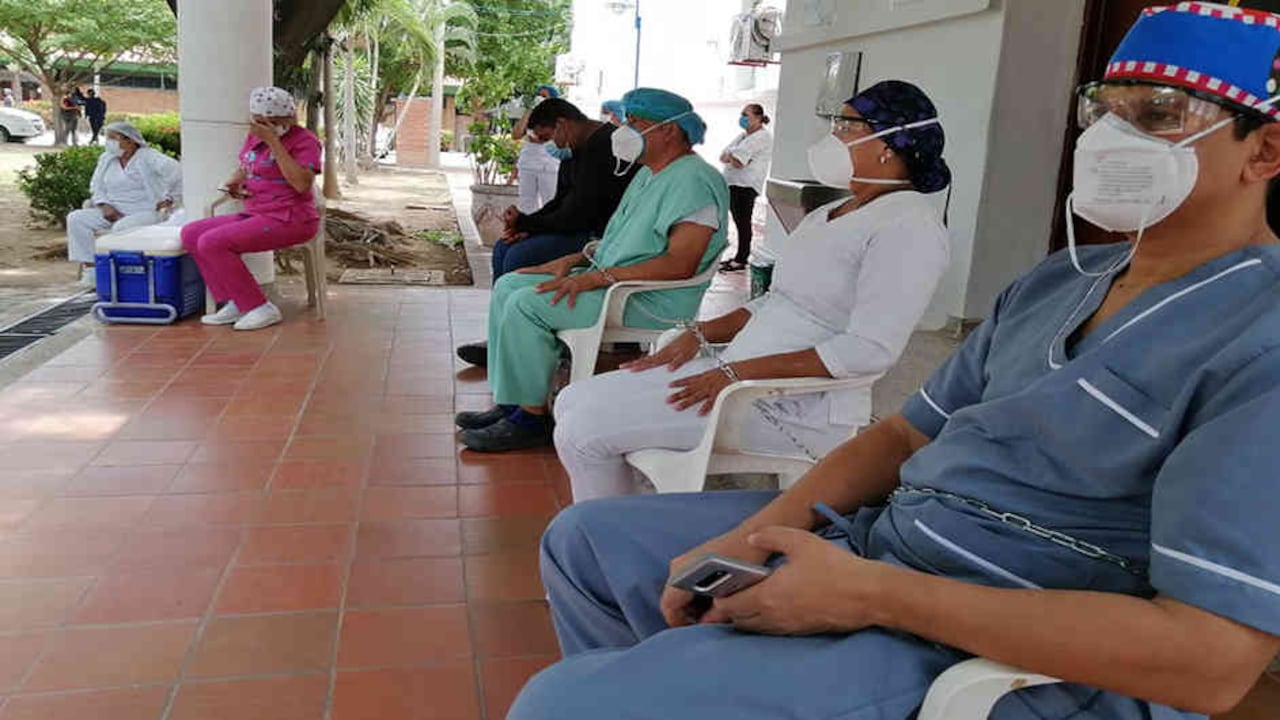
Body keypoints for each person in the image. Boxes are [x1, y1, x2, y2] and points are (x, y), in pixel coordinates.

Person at [508, 4, 1280, 720]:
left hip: (991, 637)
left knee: (561, 704)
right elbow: (905, 437)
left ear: (1267, 148)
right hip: (887, 541)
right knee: (585, 545)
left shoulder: (1256, 337)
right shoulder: (1060, 281)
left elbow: (1211, 661)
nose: (1111, 141)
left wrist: (874, 597)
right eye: (1103, 112)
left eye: (1157, 116)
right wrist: (760, 534)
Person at [554, 81, 950, 502]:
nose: (833, 136)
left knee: (584, 430)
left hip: (790, 406)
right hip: (737, 374)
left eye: (846, 126)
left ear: (888, 143)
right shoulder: (830, 213)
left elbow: (868, 350)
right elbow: (775, 300)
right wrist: (701, 334)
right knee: (575, 399)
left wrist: (733, 375)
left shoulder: (909, 228)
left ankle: (608, 540)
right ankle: (627, 517)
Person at [455, 88, 730, 453]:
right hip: (612, 280)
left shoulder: (694, 180)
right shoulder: (651, 174)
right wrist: (574, 261)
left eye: (637, 123)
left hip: (647, 298)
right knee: (510, 284)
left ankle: (531, 418)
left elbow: (681, 264)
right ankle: (511, 402)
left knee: (527, 304)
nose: (625, 131)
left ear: (669, 130)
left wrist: (596, 277)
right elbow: (627, 240)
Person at [455, 98, 641, 367]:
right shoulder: (574, 147)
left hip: (599, 237)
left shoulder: (605, 145)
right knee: (503, 248)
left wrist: (529, 226)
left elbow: (579, 213)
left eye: (546, 137)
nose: (549, 145)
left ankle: (531, 339)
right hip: (578, 227)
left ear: (562, 124)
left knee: (519, 257)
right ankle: (501, 337)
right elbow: (560, 201)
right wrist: (524, 222)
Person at [181, 86, 321, 332]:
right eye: (257, 121)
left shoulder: (305, 141)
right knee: (192, 233)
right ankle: (236, 300)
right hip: (257, 211)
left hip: (291, 217)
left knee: (213, 243)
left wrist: (274, 143)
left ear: (286, 118)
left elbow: (301, 184)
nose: (261, 126)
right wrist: (236, 180)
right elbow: (248, 165)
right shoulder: (254, 135)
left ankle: (259, 307)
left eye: (270, 122)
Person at [65, 122, 182, 287]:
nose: (109, 142)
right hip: (111, 209)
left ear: (130, 140)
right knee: (76, 218)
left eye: (113, 138)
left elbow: (178, 173)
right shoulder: (106, 158)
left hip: (145, 211)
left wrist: (170, 198)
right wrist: (104, 204)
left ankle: (119, 274)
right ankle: (92, 271)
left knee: (121, 229)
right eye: (108, 138)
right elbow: (96, 185)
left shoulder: (148, 157)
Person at [718, 103, 773, 272]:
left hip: (746, 186)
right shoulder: (743, 136)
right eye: (741, 114)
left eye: (746, 115)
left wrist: (733, 155)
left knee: (743, 222)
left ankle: (741, 259)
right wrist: (733, 154)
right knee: (737, 221)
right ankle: (738, 257)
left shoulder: (762, 137)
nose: (742, 118)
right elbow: (723, 155)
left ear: (758, 118)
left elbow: (738, 162)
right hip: (734, 184)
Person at [513, 84, 563, 214]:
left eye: (544, 96)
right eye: (538, 96)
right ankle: (527, 230)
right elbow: (516, 134)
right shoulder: (531, 117)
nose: (540, 99)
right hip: (528, 164)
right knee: (526, 202)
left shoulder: (559, 118)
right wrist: (529, 111)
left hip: (548, 166)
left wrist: (540, 138)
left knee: (549, 201)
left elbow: (547, 138)